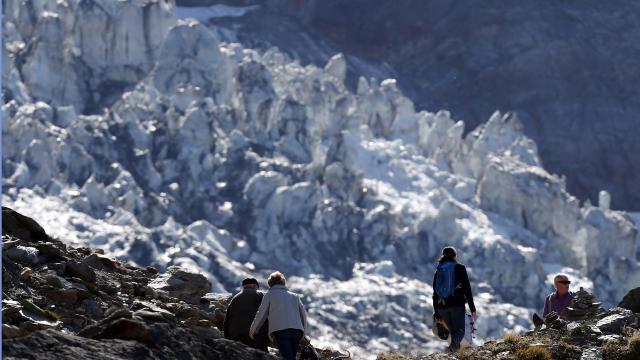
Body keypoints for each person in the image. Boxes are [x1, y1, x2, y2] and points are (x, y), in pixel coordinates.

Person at [249, 271, 308, 360]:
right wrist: (303, 332)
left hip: (280, 331)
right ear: (283, 283)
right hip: (297, 331)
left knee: (287, 357)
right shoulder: (294, 296)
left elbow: (261, 314)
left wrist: (253, 330)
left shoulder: (269, 295)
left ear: (270, 284)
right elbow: (303, 314)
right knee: (292, 356)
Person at [432, 246, 477, 353]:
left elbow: (434, 293)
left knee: (453, 332)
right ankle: (451, 349)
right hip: (456, 305)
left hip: (441, 306)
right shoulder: (460, 268)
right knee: (460, 332)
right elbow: (467, 289)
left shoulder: (439, 270)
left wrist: (437, 313)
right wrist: (472, 308)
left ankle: (453, 353)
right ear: (454, 256)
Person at [223, 278, 269, 351]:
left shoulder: (235, 298)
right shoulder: (259, 295)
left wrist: (228, 339)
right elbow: (266, 315)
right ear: (255, 286)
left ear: (243, 287)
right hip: (256, 335)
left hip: (236, 335)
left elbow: (226, 321)